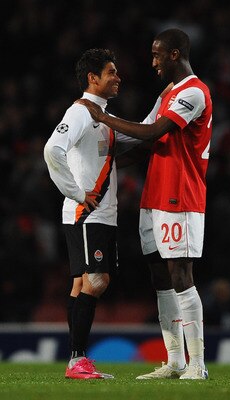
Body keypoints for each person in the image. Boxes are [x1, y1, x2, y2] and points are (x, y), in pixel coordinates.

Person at [77, 28, 212, 380]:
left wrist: (103, 116)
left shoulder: (195, 92)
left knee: (181, 275)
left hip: (180, 195)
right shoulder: (168, 92)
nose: (152, 62)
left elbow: (155, 133)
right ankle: (175, 362)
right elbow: (144, 135)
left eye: (157, 55)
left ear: (174, 54)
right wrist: (106, 164)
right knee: (159, 277)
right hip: (154, 197)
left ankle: (197, 364)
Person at [44, 48, 140, 379]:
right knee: (97, 281)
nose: (118, 77)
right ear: (93, 78)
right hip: (88, 213)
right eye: (112, 72)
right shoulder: (81, 112)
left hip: (96, 214)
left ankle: (77, 360)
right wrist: (76, 192)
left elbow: (139, 135)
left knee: (81, 283)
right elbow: (51, 150)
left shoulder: (101, 114)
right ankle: (77, 359)